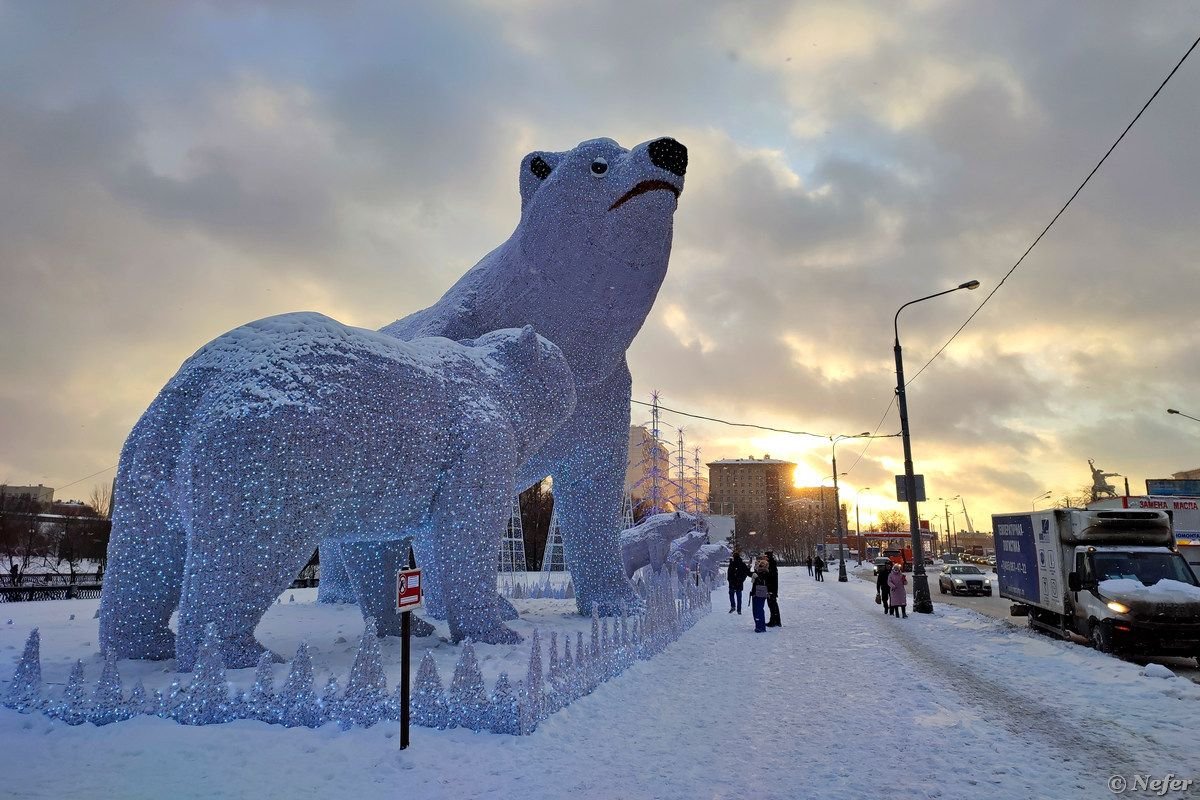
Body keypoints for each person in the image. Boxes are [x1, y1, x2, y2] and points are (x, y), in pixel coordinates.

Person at [750, 555, 770, 632]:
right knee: (756, 610)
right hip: (756, 593)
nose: (760, 566)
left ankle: (760, 626)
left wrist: (757, 578)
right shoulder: (758, 572)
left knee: (758, 610)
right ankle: (758, 625)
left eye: (762, 564)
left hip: (760, 593)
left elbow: (764, 583)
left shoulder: (765, 573)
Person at [727, 548, 750, 614]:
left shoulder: (732, 564)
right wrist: (742, 580)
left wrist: (730, 581)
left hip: (732, 583)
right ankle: (739, 609)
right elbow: (746, 573)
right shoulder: (742, 564)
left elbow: (729, 574)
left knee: (731, 595)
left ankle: (733, 606)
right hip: (739, 583)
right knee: (739, 597)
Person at [764, 550, 781, 627]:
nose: (764, 558)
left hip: (771, 588)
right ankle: (776, 621)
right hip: (772, 588)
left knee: (772, 605)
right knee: (773, 604)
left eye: (766, 556)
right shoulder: (772, 564)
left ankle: (773, 621)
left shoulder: (771, 565)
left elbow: (770, 576)